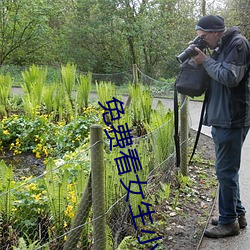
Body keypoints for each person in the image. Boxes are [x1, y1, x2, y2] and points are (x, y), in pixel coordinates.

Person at [192, 15, 250, 238]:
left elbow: (229, 77)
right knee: (227, 171)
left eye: (204, 37)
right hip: (222, 117)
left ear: (216, 32)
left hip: (232, 118)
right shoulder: (221, 46)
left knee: (225, 171)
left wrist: (205, 61)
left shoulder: (238, 44)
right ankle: (237, 214)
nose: (203, 41)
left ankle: (228, 223)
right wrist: (202, 60)